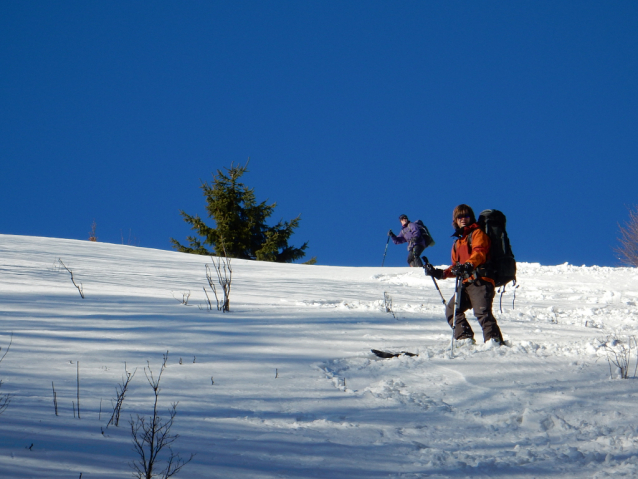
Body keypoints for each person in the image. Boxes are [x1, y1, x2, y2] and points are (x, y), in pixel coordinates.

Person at [425, 204, 504, 345]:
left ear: (471, 217)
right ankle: (464, 338)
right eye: (459, 216)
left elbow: (480, 252)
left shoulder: (477, 233)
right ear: (455, 220)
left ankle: (494, 341)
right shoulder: (457, 242)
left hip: (481, 280)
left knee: (482, 312)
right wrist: (440, 273)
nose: (463, 219)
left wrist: (469, 264)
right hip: (466, 283)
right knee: (452, 310)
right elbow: (456, 267)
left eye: (466, 216)